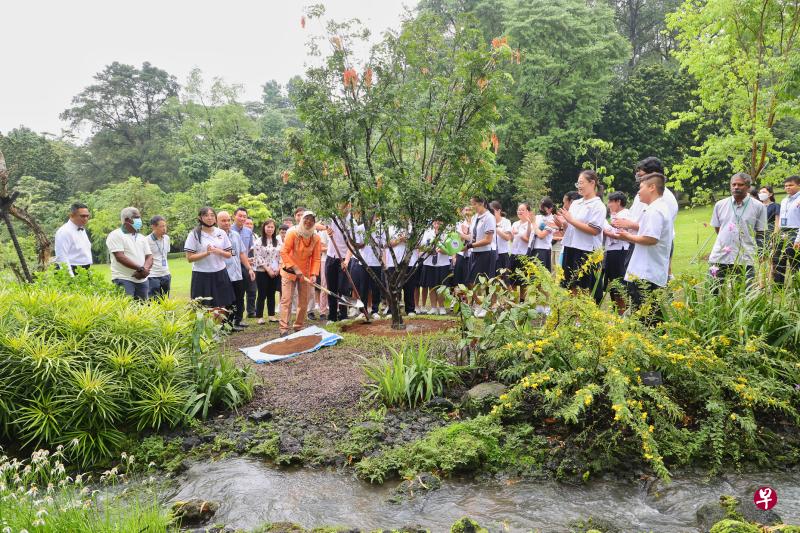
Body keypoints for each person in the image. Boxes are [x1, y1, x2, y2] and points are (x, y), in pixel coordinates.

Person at [616, 173, 674, 321]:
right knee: (649, 316)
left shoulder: (655, 210)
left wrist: (626, 236)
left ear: (652, 187)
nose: (638, 192)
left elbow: (650, 239)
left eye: (641, 188)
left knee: (647, 318)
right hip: (649, 271)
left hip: (646, 274)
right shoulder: (657, 208)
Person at [612, 157, 679, 271]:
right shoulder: (642, 193)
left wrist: (629, 225)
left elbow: (656, 229)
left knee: (649, 282)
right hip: (637, 241)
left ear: (653, 175)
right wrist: (622, 223)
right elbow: (634, 216)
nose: (638, 176)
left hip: (652, 245)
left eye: (641, 174)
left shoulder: (665, 198)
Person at [556, 170, 606, 304]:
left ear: (592, 183)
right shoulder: (576, 203)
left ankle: (583, 318)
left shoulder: (598, 205)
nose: (579, 186)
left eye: (581, 182)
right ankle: (573, 314)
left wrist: (571, 220)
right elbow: (571, 227)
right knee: (570, 283)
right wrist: (564, 223)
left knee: (585, 285)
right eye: (577, 183)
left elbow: (594, 230)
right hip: (571, 247)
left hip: (587, 250)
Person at [708, 173, 767, 281]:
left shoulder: (759, 206)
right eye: (733, 184)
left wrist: (761, 252)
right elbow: (718, 228)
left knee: (745, 291)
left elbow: (761, 232)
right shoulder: (720, 205)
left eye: (740, 184)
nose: (736, 187)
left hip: (745, 256)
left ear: (748, 187)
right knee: (715, 290)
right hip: (720, 255)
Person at [279, 211, 322, 336]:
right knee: (286, 299)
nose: (308, 222)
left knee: (304, 301)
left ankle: (298, 326)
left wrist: (314, 274)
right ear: (302, 220)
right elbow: (284, 252)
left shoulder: (316, 238)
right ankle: (284, 328)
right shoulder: (292, 233)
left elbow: (316, 258)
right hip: (289, 271)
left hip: (306, 273)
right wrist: (295, 268)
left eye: (312, 220)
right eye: (306, 219)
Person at [184, 207, 235, 309]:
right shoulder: (194, 234)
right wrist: (206, 253)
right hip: (201, 274)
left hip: (220, 272)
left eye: (212, 215)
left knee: (222, 304)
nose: (210, 218)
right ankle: (204, 325)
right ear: (200, 218)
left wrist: (218, 251)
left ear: (215, 218)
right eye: (206, 215)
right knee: (202, 306)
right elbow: (189, 258)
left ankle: (220, 325)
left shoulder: (221, 233)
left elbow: (229, 254)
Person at [219, 211, 256, 330]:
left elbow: (241, 253)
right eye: (223, 221)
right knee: (227, 299)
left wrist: (249, 268)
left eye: (228, 220)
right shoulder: (216, 236)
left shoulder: (235, 234)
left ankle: (238, 320)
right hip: (223, 273)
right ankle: (227, 324)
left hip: (237, 272)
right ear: (217, 221)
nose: (226, 223)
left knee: (239, 297)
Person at [106, 207, 152, 300]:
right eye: (137, 217)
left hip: (142, 280)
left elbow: (149, 256)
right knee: (126, 310)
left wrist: (144, 270)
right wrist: (141, 269)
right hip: (124, 279)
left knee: (143, 310)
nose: (139, 220)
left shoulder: (141, 237)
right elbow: (120, 257)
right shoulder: (115, 235)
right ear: (127, 220)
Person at [464, 197, 496, 317]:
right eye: (471, 204)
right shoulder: (474, 217)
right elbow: (472, 237)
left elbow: (488, 240)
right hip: (475, 252)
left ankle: (488, 307)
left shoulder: (489, 217)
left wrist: (469, 246)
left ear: (482, 203)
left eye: (475, 204)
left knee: (487, 281)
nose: (473, 207)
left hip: (487, 252)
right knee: (470, 280)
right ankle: (478, 304)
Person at [602, 192, 632, 312]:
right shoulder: (615, 215)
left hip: (620, 252)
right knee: (613, 286)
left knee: (620, 286)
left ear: (618, 202)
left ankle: (622, 313)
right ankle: (617, 313)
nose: (609, 205)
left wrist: (606, 232)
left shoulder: (625, 215)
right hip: (611, 252)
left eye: (610, 202)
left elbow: (620, 234)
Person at [324, 205, 353, 323]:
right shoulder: (332, 218)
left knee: (343, 288)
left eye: (346, 206)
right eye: (342, 205)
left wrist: (346, 260)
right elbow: (316, 224)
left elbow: (351, 244)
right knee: (331, 288)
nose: (344, 208)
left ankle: (344, 315)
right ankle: (332, 316)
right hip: (331, 257)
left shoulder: (351, 223)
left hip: (343, 259)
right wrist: (327, 228)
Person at [350, 218, 383, 320]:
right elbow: (357, 245)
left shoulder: (380, 228)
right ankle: (362, 311)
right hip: (363, 262)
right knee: (363, 288)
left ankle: (375, 310)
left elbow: (384, 244)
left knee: (375, 288)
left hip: (376, 262)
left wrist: (374, 241)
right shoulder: (360, 228)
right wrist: (364, 241)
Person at [252, 219, 282, 324]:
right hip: (262, 271)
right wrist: (268, 269)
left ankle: (271, 315)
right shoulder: (258, 241)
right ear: (264, 228)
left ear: (274, 229)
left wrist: (278, 268)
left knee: (271, 293)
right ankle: (259, 316)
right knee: (262, 294)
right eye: (268, 227)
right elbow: (258, 257)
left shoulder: (278, 242)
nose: (270, 229)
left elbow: (281, 256)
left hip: (275, 271)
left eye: (272, 227)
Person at [386, 222, 418, 317]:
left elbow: (418, 244)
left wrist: (408, 240)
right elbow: (386, 244)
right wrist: (399, 240)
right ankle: (392, 310)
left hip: (410, 261)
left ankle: (410, 309)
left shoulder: (414, 226)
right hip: (394, 262)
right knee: (394, 288)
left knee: (410, 287)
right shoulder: (389, 226)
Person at [420, 220, 451, 315]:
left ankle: (441, 307)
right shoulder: (427, 232)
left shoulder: (447, 233)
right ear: (433, 223)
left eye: (440, 223)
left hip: (443, 263)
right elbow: (422, 247)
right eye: (435, 222)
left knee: (442, 286)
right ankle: (433, 307)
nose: (437, 225)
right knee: (431, 286)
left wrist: (443, 251)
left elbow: (451, 250)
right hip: (429, 262)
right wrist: (428, 249)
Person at [231, 207, 256, 322]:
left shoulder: (248, 231)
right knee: (238, 292)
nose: (242, 218)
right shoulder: (229, 231)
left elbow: (250, 249)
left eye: (244, 216)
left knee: (251, 289)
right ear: (234, 216)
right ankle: (237, 315)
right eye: (239, 216)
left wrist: (250, 260)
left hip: (246, 264)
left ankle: (251, 312)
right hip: (234, 265)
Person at [773, 175, 800, 283]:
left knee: (794, 260)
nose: (787, 188)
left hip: (795, 231)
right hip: (783, 231)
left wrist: (798, 239)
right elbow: (782, 219)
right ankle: (778, 285)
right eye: (785, 186)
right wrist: (777, 233)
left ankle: (797, 286)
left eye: (790, 185)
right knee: (779, 258)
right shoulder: (784, 200)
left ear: (798, 185)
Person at [54, 202, 93, 274]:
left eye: (87, 216)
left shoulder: (82, 229)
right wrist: (70, 277)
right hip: (72, 270)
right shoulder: (64, 231)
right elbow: (61, 257)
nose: (86, 219)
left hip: (84, 270)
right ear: (72, 215)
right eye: (82, 216)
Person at [509, 202, 532, 297]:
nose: (520, 211)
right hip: (514, 253)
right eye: (519, 209)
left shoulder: (529, 224)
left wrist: (518, 233)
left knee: (523, 281)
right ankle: (514, 301)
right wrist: (512, 235)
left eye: (522, 210)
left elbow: (528, 240)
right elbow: (511, 239)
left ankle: (522, 302)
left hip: (524, 255)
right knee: (512, 280)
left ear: (528, 211)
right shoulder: (515, 223)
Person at [552, 192, 580, 268]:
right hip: (567, 247)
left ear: (572, 202)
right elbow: (567, 233)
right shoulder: (569, 215)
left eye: (565, 202)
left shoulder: (577, 216)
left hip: (576, 250)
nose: (564, 205)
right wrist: (561, 226)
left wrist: (564, 224)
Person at [528, 197, 556, 272]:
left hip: (542, 250)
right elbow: (530, 232)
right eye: (540, 206)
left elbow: (541, 235)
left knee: (541, 276)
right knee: (531, 276)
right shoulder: (537, 217)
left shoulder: (552, 220)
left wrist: (533, 222)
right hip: (531, 248)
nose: (541, 208)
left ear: (550, 209)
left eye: (543, 207)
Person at [146, 215, 171, 298]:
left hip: (166, 273)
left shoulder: (167, 238)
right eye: (161, 226)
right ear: (153, 227)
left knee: (165, 300)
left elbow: (164, 254)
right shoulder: (146, 240)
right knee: (153, 300)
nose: (164, 228)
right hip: (153, 275)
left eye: (165, 226)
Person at [490, 201, 512, 278]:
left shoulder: (506, 222)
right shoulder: (488, 222)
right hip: (491, 254)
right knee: (492, 280)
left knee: (505, 280)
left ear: (499, 210)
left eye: (493, 212)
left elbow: (507, 237)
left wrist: (496, 228)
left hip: (502, 254)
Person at [454, 206, 473, 286]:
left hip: (472, 254)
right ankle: (459, 298)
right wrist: (468, 235)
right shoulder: (459, 223)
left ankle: (471, 298)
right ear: (462, 212)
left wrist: (465, 234)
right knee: (459, 280)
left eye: (470, 210)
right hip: (460, 254)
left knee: (470, 280)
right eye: (466, 210)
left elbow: (475, 238)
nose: (468, 212)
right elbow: (458, 238)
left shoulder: (476, 223)